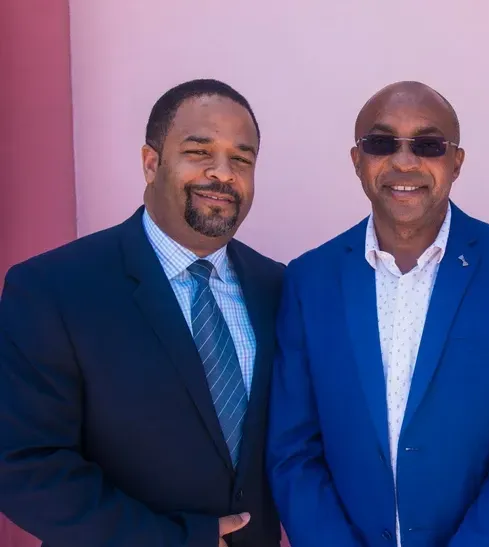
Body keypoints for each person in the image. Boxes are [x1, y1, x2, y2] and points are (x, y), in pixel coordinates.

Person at [266, 81, 489, 547]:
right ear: (357, 160)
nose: (404, 162)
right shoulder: (309, 280)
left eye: (428, 145)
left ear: (456, 162)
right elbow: (293, 452)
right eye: (381, 143)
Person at [0, 78, 284, 547]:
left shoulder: (277, 288)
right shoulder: (52, 289)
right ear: (151, 163)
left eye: (241, 159)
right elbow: (24, 465)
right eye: (199, 152)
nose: (222, 173)